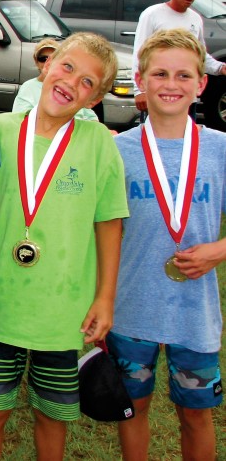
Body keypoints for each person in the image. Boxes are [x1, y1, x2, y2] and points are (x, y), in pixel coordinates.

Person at [0, 32, 129, 461]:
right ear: (47, 63)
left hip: (63, 315)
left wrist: (105, 298)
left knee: (53, 416)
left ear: (94, 101)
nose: (72, 83)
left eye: (88, 83)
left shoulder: (98, 146)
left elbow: (109, 225)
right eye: (68, 67)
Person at [109, 28, 226, 461]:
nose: (171, 85)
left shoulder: (219, 149)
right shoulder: (118, 150)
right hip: (131, 308)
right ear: (140, 79)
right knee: (132, 409)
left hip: (194, 314)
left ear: (201, 83)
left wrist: (219, 250)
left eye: (183, 75)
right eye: (159, 73)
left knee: (195, 415)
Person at [132, 0, 226, 114]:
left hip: (187, 98)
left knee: (188, 136)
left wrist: (221, 68)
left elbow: (199, 56)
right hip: (159, 95)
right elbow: (140, 53)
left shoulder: (196, 18)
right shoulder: (152, 14)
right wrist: (139, 90)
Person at [12, 37, 99, 122]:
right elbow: (20, 119)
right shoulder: (29, 87)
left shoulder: (71, 86)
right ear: (36, 62)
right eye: (43, 59)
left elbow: (91, 117)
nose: (48, 62)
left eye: (54, 58)